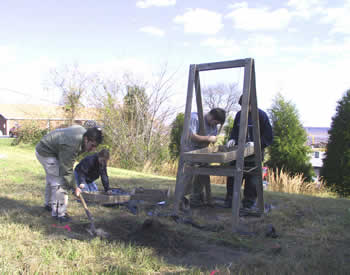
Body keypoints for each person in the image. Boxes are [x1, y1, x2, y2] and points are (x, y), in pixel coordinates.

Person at [35, 125, 103, 222]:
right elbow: (66, 170)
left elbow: (69, 162)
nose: (93, 149)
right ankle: (59, 214)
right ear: (86, 139)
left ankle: (49, 205)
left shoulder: (83, 137)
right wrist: (75, 187)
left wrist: (73, 185)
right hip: (46, 152)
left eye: (95, 147)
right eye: (92, 145)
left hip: (53, 151)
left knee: (53, 178)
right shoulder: (72, 144)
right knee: (59, 181)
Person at [225, 95, 273, 209]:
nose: (244, 109)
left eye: (247, 106)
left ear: (253, 104)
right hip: (238, 153)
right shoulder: (239, 115)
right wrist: (232, 139)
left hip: (254, 155)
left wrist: (257, 144)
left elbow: (269, 136)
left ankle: (249, 202)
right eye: (242, 106)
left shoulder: (261, 115)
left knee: (252, 179)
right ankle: (231, 200)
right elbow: (235, 131)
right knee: (233, 177)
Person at [177, 108, 226, 209]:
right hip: (189, 149)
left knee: (203, 174)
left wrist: (213, 141)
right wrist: (208, 138)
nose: (214, 126)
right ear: (211, 116)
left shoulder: (214, 125)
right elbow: (191, 136)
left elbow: (213, 138)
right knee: (187, 175)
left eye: (217, 124)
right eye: (215, 123)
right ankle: (181, 199)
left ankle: (196, 198)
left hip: (202, 151)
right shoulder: (195, 118)